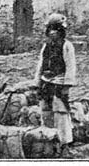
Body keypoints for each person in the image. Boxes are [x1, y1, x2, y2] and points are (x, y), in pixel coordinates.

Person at [34, 13, 77, 150]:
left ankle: (65, 141)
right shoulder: (46, 46)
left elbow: (71, 66)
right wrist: (37, 82)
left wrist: (67, 85)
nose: (53, 33)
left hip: (60, 81)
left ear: (61, 31)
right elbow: (41, 64)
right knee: (45, 109)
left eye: (56, 29)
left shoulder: (67, 46)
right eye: (50, 29)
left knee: (61, 111)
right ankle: (48, 137)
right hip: (46, 82)